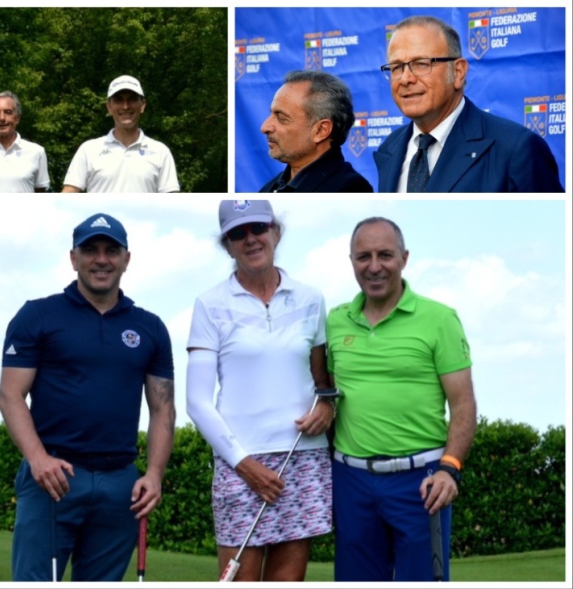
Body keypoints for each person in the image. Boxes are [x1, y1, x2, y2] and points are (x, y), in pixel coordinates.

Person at [0, 212, 176, 581]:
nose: (101, 259)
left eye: (111, 250)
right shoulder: (38, 315)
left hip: (120, 484)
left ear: (126, 259)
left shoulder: (150, 327)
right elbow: (10, 396)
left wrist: (155, 474)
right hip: (53, 476)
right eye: (90, 249)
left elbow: (162, 409)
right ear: (73, 258)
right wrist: (37, 459)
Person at [186, 200, 334, 581]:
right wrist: (245, 465)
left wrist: (328, 409)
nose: (250, 239)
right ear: (227, 245)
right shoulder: (210, 304)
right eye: (238, 233)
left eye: (258, 228)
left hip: (301, 459)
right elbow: (197, 402)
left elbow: (323, 384)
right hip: (240, 463)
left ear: (275, 232)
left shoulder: (311, 300)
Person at [327, 217, 476, 581]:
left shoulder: (439, 318)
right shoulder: (334, 321)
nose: (374, 266)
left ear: (404, 258)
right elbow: (329, 396)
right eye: (363, 257)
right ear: (351, 261)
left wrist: (449, 468)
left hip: (422, 482)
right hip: (351, 481)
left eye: (385, 255)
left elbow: (463, 404)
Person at [373, 15, 563, 192]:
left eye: (421, 64)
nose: (405, 79)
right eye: (396, 67)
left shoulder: (516, 149)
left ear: (458, 72)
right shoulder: (390, 149)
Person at [62, 76, 179, 193]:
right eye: (118, 100)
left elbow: (172, 202)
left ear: (142, 105)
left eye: (132, 99)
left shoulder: (160, 152)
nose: (125, 106)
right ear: (109, 107)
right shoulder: (88, 150)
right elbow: (67, 197)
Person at [259, 71, 373, 192]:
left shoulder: (349, 189)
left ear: (321, 130)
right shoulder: (270, 188)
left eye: (281, 118)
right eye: (271, 114)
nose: (265, 127)